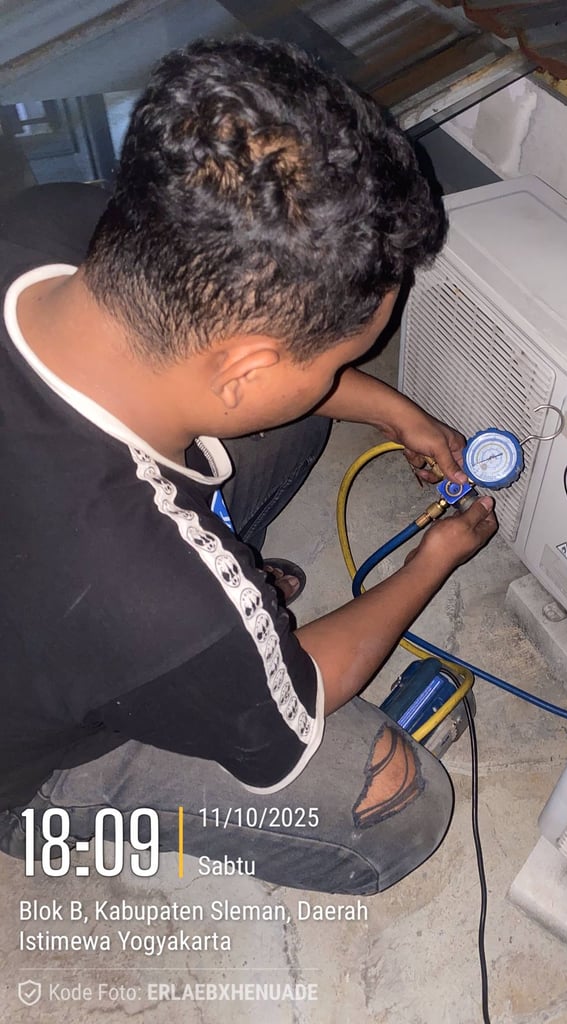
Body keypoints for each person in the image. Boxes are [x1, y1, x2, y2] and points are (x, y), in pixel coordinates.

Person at [0, 37, 497, 894]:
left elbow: (268, 394)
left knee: (289, 431)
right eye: (341, 358)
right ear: (247, 369)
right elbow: (301, 697)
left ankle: (206, 660)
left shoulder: (44, 226)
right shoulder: (147, 592)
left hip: (58, 593)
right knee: (398, 805)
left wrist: (397, 412)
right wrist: (433, 560)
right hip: (25, 760)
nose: (347, 373)